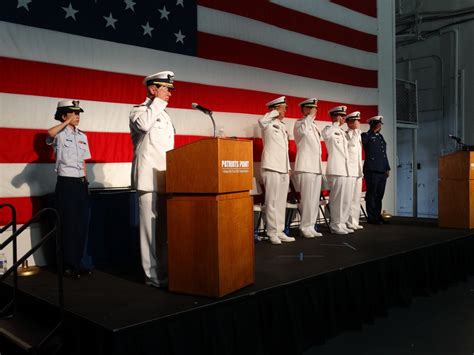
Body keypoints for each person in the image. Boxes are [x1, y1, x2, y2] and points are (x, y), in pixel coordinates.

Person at [129, 71, 175, 287]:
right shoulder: (139, 111)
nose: (170, 94)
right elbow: (144, 126)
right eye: (166, 88)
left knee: (164, 230)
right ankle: (153, 276)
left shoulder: (165, 115)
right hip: (148, 179)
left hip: (166, 178)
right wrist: (157, 102)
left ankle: (166, 271)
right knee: (149, 231)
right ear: (153, 89)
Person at [46, 100, 92, 279]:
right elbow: (49, 134)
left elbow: (83, 161)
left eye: (78, 114)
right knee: (68, 225)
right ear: (64, 116)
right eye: (73, 114)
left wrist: (86, 182)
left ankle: (79, 262)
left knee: (81, 224)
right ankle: (67, 265)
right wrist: (65, 122)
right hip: (67, 183)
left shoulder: (82, 136)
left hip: (80, 184)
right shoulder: (59, 134)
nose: (77, 117)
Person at [258, 96, 295, 245]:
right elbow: (262, 121)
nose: (285, 110)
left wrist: (288, 167)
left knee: (281, 201)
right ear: (276, 108)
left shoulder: (282, 126)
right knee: (271, 201)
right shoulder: (267, 123)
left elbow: (284, 150)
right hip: (271, 166)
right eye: (283, 107)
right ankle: (271, 232)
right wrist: (274, 112)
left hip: (282, 167)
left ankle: (279, 230)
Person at [293, 98, 323, 238]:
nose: (313, 110)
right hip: (305, 166)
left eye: (314, 108)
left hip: (315, 167)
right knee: (307, 198)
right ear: (304, 109)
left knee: (314, 199)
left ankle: (311, 225)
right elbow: (303, 133)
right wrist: (309, 117)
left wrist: (311, 119)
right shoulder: (300, 123)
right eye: (310, 108)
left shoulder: (314, 125)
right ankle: (304, 226)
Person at [321, 106, 353, 235]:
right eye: (342, 116)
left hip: (345, 170)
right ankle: (335, 224)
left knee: (345, 198)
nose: (344, 118)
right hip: (335, 169)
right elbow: (325, 135)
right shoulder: (329, 129)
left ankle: (342, 223)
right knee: (337, 199)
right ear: (336, 116)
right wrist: (334, 123)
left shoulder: (342, 132)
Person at [361, 115, 391, 224]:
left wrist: (387, 168)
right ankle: (372, 217)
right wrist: (372, 131)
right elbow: (364, 143)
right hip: (372, 170)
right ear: (373, 124)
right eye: (378, 124)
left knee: (379, 195)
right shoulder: (366, 135)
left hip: (382, 170)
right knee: (372, 194)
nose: (380, 126)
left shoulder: (380, 137)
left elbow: (383, 154)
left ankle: (377, 215)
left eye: (380, 124)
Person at [345, 111, 364, 230]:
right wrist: (356, 132)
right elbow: (349, 145)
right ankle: (347, 221)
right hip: (349, 171)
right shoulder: (346, 134)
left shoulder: (358, 134)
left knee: (356, 198)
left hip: (358, 170)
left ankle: (355, 221)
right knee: (349, 198)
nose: (359, 122)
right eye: (357, 120)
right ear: (351, 122)